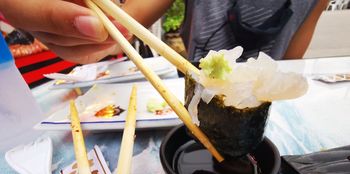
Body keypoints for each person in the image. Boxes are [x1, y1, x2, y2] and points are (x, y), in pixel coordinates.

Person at [0, 0, 328, 64]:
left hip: (265, 112)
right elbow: (123, 25)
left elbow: (291, 61)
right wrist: (97, 35)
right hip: (195, 95)